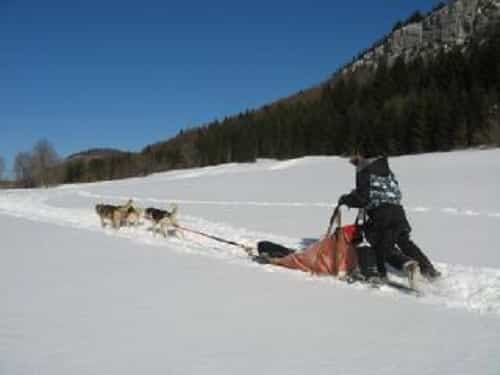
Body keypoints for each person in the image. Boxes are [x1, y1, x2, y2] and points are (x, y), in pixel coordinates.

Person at [338, 153, 441, 280]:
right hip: (398, 212)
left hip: (381, 214)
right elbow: (393, 193)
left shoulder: (364, 169)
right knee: (404, 242)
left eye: (354, 161)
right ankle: (429, 270)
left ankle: (378, 273)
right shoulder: (387, 171)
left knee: (374, 241)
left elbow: (363, 198)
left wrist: (346, 199)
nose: (354, 164)